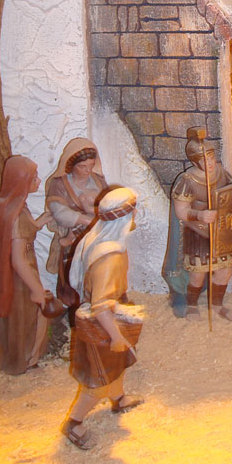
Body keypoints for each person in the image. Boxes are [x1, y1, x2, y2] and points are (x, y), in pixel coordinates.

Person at [62, 187, 142, 449]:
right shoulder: (110, 256)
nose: (136, 215)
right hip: (102, 326)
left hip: (110, 315)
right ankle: (74, 422)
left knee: (116, 363)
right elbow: (100, 306)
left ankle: (118, 399)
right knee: (99, 379)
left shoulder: (96, 240)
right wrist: (116, 336)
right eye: (133, 211)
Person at [0, 155, 54, 374]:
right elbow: (18, 259)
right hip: (20, 276)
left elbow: (24, 232)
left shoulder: (7, 205)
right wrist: (37, 289)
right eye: (34, 178)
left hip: (20, 270)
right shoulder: (16, 214)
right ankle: (26, 360)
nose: (38, 181)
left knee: (26, 316)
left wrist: (42, 220)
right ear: (21, 181)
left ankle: (23, 358)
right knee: (30, 316)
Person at [162, 129, 232, 321]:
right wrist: (200, 215)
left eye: (211, 157)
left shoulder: (221, 173)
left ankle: (217, 304)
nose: (210, 163)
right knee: (198, 274)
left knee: (225, 271)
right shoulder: (187, 181)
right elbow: (181, 211)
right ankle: (192, 305)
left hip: (218, 232)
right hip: (198, 233)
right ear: (195, 162)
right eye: (204, 160)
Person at [45, 138, 108, 304]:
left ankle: (97, 303)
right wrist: (87, 220)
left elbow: (108, 203)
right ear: (71, 165)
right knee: (73, 274)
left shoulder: (98, 181)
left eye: (91, 165)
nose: (87, 170)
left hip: (97, 237)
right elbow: (59, 212)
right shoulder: (60, 184)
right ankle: (74, 306)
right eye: (82, 166)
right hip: (73, 238)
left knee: (97, 272)